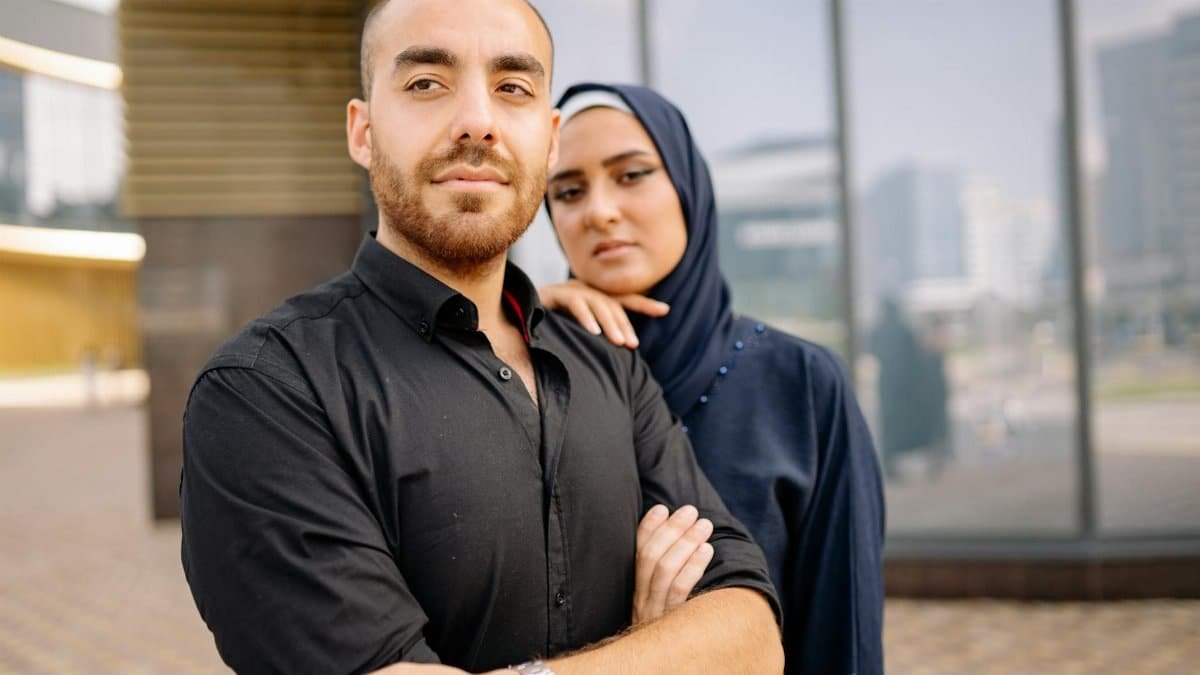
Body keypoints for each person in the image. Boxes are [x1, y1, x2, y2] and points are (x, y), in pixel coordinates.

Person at [178, 2, 783, 674]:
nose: (477, 122)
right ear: (362, 130)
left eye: (513, 88)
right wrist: (659, 654)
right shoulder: (267, 390)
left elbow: (753, 637)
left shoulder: (607, 360)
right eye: (426, 84)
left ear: (549, 141)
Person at [541, 83, 886, 675]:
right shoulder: (529, 371)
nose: (598, 210)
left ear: (688, 190)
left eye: (631, 175)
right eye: (568, 192)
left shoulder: (800, 384)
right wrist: (511, 323)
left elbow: (842, 635)